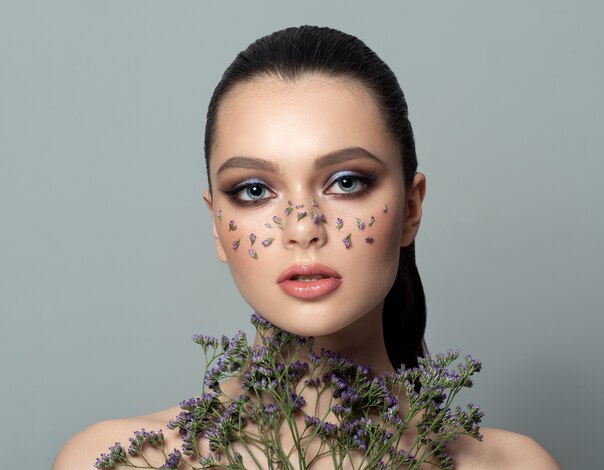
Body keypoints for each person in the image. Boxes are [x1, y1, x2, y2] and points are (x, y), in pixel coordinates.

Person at [53, 25, 559, 469]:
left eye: (345, 183)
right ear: (216, 224)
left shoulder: (509, 466)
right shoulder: (118, 461)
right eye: (254, 190)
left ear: (410, 208)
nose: (303, 227)